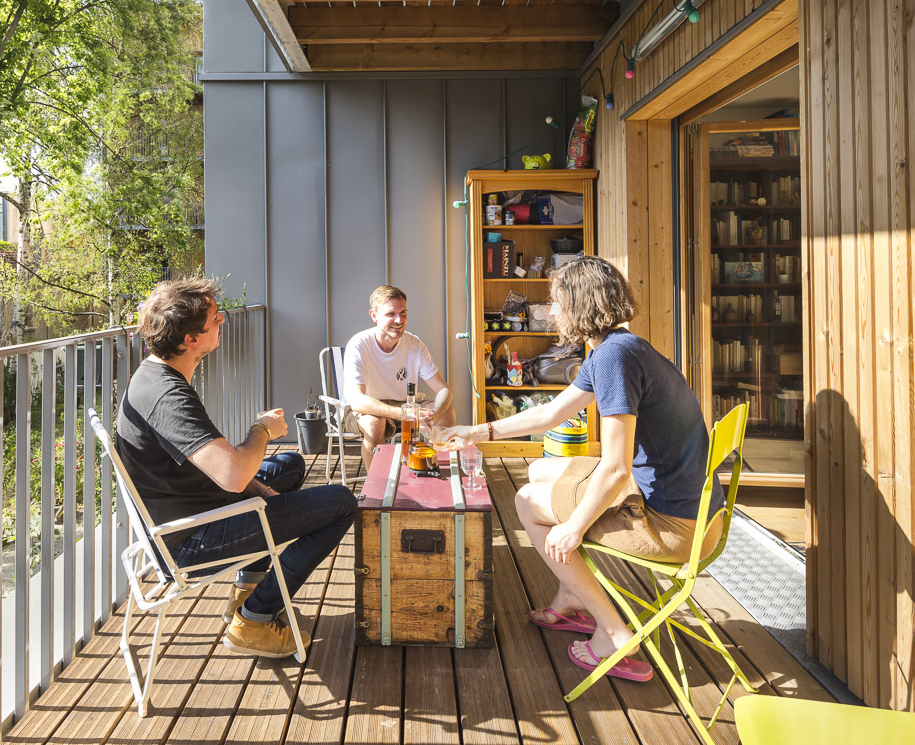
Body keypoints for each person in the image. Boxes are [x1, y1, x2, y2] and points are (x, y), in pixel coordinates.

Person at [436, 256, 723, 683]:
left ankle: (611, 632)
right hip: (697, 513)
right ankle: (571, 592)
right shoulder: (621, 347)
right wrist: (476, 431)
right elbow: (549, 415)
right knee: (541, 473)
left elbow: (616, 468)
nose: (551, 311)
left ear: (579, 303)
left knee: (526, 501)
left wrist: (574, 528)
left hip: (675, 528)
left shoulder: (613, 360)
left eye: (556, 301)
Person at [116, 278, 357, 658]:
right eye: (214, 319)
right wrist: (261, 430)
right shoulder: (167, 396)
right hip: (188, 542)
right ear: (189, 340)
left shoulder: (154, 373)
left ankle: (249, 587)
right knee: (341, 503)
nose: (223, 321)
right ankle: (255, 620)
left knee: (290, 464)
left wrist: (262, 492)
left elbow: (215, 472)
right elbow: (232, 475)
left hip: (194, 507)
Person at [342, 285, 455, 467]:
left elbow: (443, 389)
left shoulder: (414, 344)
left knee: (447, 412)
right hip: (366, 408)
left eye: (403, 313)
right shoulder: (359, 344)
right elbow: (357, 401)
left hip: (405, 405)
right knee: (375, 423)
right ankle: (377, 488)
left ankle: (436, 472)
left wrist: (436, 414)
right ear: (374, 316)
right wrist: (405, 414)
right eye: (391, 314)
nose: (399, 319)